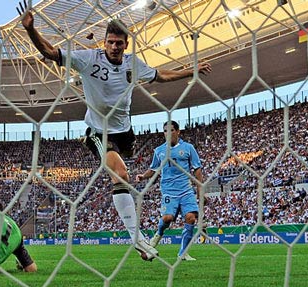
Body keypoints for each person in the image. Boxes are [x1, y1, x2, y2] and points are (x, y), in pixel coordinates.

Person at [16, 0, 211, 261]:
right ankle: (137, 239)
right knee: (120, 174)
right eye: (110, 42)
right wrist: (30, 29)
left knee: (121, 177)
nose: (115, 47)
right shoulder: (88, 59)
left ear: (126, 44)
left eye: (119, 43)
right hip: (98, 130)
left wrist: (190, 71)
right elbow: (51, 52)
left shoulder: (133, 63)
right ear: (104, 42)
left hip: (125, 132)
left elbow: (160, 75)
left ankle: (138, 237)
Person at [137, 121, 203, 261]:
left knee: (190, 218)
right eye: (165, 131)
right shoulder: (159, 150)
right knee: (167, 218)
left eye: (171, 130)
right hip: (168, 190)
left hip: (186, 190)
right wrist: (143, 176)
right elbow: (153, 169)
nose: (168, 133)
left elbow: (197, 169)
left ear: (178, 131)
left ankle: (183, 253)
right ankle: (157, 235)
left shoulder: (188, 148)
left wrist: (200, 190)